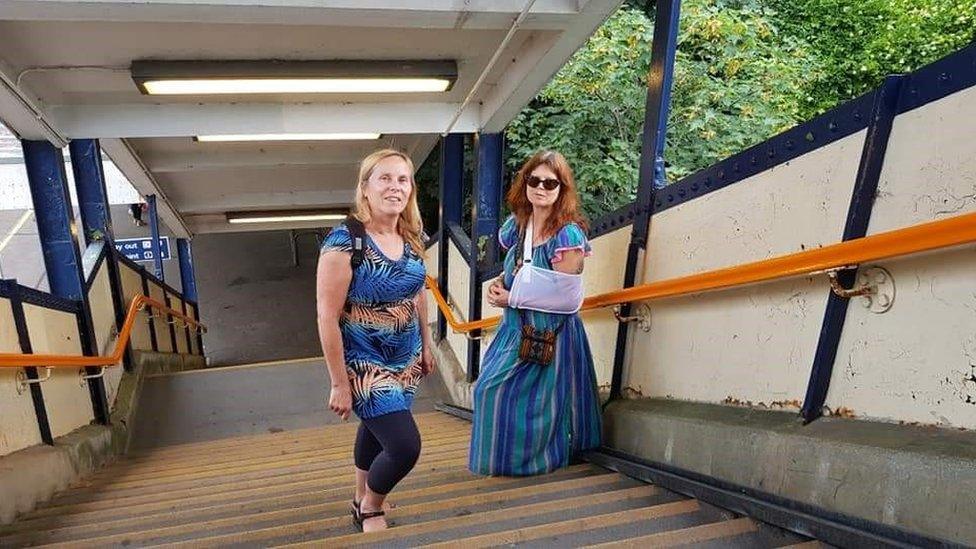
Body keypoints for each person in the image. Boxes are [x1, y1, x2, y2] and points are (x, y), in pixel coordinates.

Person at [316, 149, 436, 532]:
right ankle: (370, 506)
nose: (394, 187)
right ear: (365, 188)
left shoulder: (413, 236)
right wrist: (339, 383)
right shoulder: (343, 243)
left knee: (375, 428)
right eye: (384, 178)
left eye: (402, 179)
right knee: (404, 446)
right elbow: (327, 316)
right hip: (364, 360)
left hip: (406, 356)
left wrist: (427, 344)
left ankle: (358, 496)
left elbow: (418, 293)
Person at [469, 150, 602, 477]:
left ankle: (538, 462)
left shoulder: (567, 235)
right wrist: (500, 286)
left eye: (550, 182)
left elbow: (569, 299)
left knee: (537, 403)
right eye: (534, 180)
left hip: (550, 334)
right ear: (525, 182)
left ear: (562, 189)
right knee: (489, 389)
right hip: (514, 331)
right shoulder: (516, 227)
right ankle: (506, 463)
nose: (541, 187)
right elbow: (518, 272)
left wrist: (513, 297)